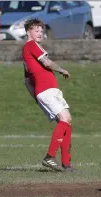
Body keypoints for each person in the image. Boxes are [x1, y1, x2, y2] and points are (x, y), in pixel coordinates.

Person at [22, 19, 74, 171]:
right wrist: (61, 69)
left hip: (48, 90)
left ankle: (67, 163)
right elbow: (47, 63)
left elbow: (27, 81)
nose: (39, 33)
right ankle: (50, 156)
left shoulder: (27, 51)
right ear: (28, 32)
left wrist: (36, 99)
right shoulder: (31, 45)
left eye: (41, 30)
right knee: (66, 119)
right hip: (46, 90)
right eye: (36, 30)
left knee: (67, 122)